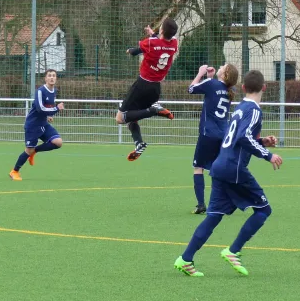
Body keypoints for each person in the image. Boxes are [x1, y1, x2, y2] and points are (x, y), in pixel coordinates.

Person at [174, 70, 283, 277]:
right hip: (234, 169)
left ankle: (185, 259)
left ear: (242, 88)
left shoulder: (241, 108)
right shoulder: (254, 110)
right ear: (265, 88)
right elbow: (242, 138)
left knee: (214, 216)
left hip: (219, 166)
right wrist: (267, 154)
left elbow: (239, 139)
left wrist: (261, 142)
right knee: (263, 210)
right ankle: (233, 251)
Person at [116, 18, 178, 161]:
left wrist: (130, 50)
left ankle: (153, 110)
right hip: (156, 88)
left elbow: (136, 51)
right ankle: (139, 143)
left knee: (120, 118)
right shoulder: (174, 44)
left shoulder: (151, 43)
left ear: (161, 30)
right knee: (133, 115)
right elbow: (162, 43)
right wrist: (154, 35)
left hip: (142, 85)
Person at [189, 63, 239, 214]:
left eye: (223, 67)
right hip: (223, 135)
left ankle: (201, 204)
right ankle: (226, 202)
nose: (221, 66)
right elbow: (215, 93)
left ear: (225, 74)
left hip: (207, 133)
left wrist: (200, 74)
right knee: (219, 169)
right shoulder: (231, 90)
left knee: (199, 168)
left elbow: (191, 89)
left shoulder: (211, 84)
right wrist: (209, 78)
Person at [9, 69, 64, 181]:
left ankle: (35, 151)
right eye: (49, 76)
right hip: (33, 125)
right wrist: (56, 109)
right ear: (45, 78)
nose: (52, 78)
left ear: (56, 78)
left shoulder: (54, 90)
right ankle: (14, 171)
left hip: (43, 123)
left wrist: (49, 115)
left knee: (58, 142)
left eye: (54, 76)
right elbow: (40, 108)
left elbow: (48, 105)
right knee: (28, 150)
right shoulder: (40, 91)